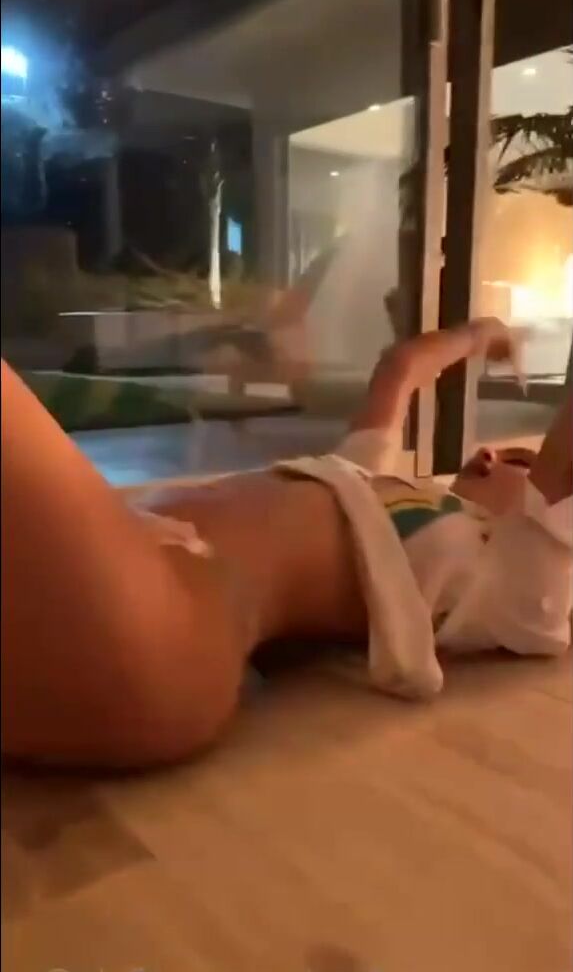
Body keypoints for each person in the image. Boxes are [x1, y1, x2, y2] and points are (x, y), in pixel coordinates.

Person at [2, 317, 571, 769]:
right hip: (127, 550)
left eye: (520, 462)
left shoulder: (512, 589)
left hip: (172, 616)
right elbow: (400, 368)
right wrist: (481, 333)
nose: (489, 453)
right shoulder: (363, 474)